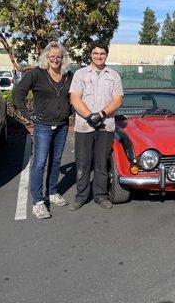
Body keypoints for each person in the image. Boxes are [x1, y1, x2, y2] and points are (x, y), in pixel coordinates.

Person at [13, 41, 73, 220]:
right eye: (52, 56)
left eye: (59, 56)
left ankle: (52, 192)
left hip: (62, 124)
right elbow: (18, 94)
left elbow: (76, 95)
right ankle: (38, 202)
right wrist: (28, 114)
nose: (55, 59)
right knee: (39, 162)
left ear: (63, 59)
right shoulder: (36, 74)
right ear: (46, 57)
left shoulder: (68, 75)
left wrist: (70, 111)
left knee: (55, 160)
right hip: (43, 125)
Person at [69, 41, 123, 210]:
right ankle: (81, 197)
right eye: (95, 53)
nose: (99, 56)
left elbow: (117, 100)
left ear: (106, 55)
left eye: (102, 54)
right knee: (83, 164)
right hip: (84, 127)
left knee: (101, 163)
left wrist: (100, 115)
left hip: (105, 126)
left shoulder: (113, 75)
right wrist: (88, 116)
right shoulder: (80, 74)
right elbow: (75, 98)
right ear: (90, 54)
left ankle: (100, 195)